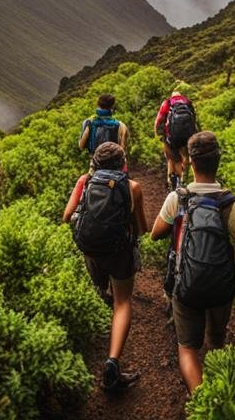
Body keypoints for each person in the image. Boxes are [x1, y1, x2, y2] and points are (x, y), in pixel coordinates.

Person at [150, 131, 235, 394]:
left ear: (190, 162)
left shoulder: (176, 199)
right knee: (216, 340)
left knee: (188, 349)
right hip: (221, 291)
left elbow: (156, 234)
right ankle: (220, 385)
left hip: (186, 288)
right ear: (218, 160)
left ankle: (203, 403)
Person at [63, 142, 151, 392]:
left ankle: (98, 320)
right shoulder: (132, 187)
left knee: (99, 288)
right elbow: (142, 229)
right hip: (119, 253)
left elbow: (66, 216)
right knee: (122, 302)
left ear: (96, 163)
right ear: (123, 163)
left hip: (90, 249)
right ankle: (112, 363)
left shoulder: (85, 181)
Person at [154, 89, 196, 190]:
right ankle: (184, 179)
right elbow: (194, 119)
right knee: (185, 157)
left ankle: (174, 183)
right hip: (187, 136)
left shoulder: (167, 103)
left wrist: (156, 132)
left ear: (172, 96)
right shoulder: (188, 102)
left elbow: (159, 120)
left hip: (171, 138)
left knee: (173, 159)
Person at [78, 94, 129, 160]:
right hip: (114, 164)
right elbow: (122, 149)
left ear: (98, 105)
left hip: (96, 163)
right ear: (112, 107)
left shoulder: (89, 122)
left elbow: (81, 146)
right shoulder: (121, 125)